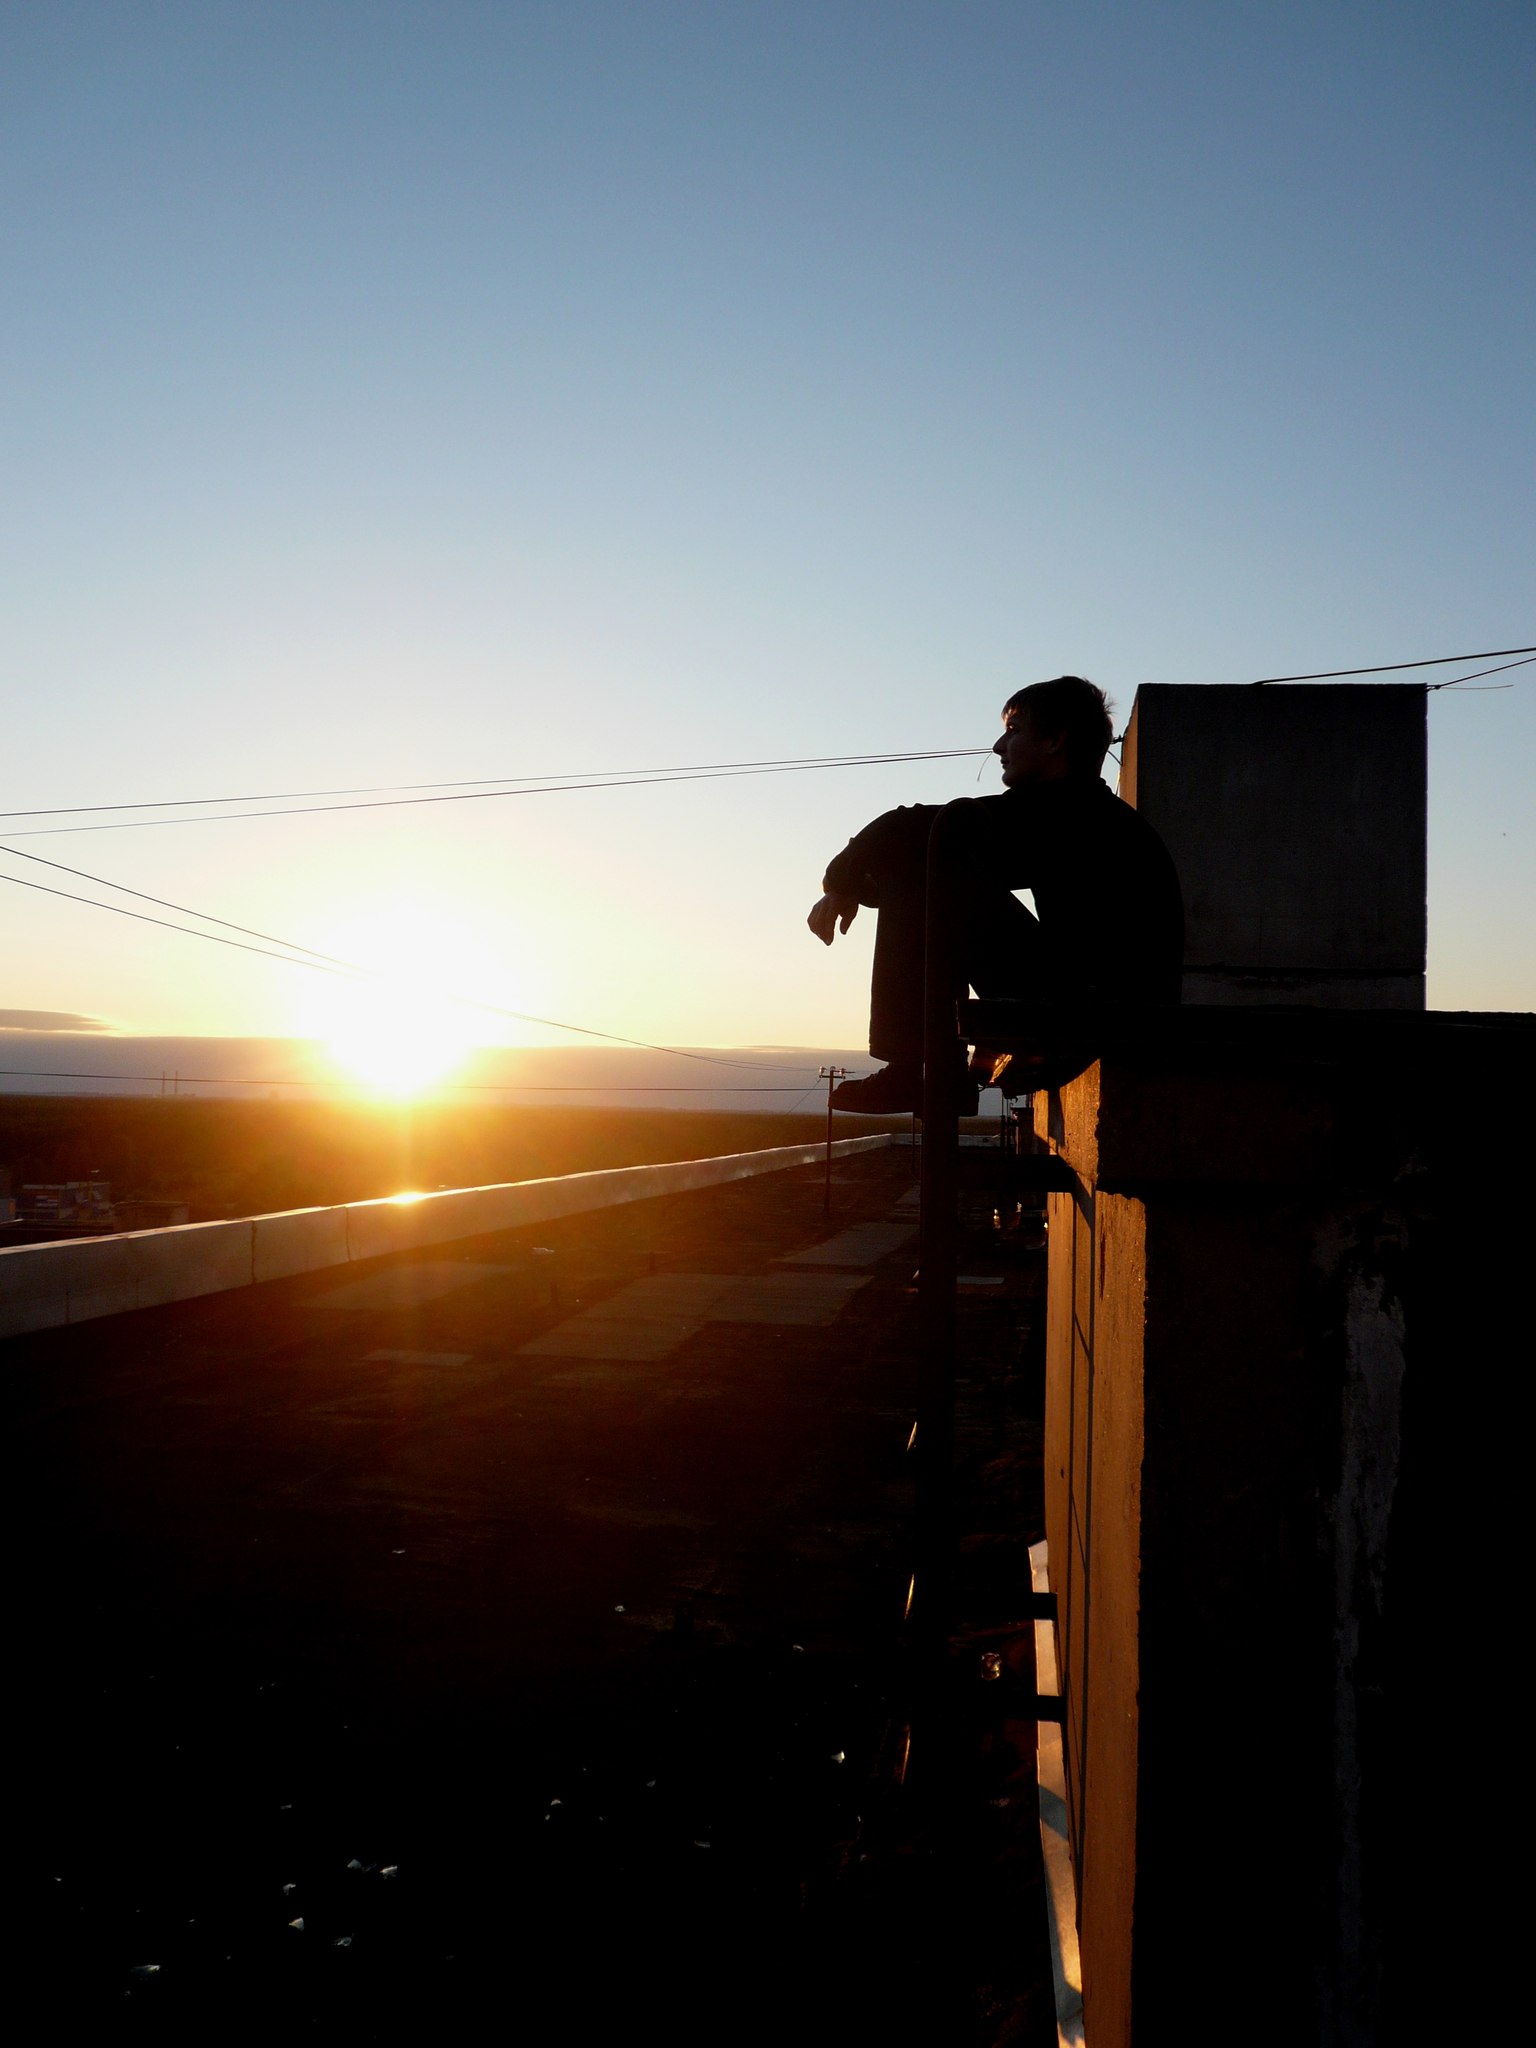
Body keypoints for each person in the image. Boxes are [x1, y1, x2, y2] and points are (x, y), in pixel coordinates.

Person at [806, 675, 1184, 1112]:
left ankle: (917, 1067)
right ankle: (925, 1069)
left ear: (1054, 742)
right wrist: (870, 888)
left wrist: (839, 881)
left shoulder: (1067, 814)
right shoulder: (1083, 817)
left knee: (935, 844)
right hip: (1098, 1011)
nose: (999, 747)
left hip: (1095, 1019)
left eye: (1013, 730)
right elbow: (924, 878)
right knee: (928, 861)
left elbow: (907, 828)